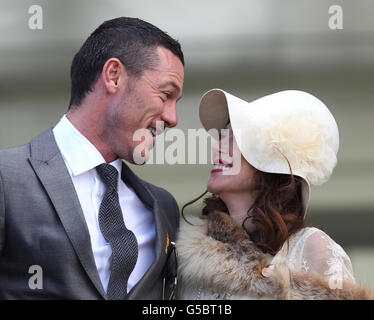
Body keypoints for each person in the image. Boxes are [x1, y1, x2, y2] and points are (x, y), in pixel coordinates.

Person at [0, 17, 184, 300]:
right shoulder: (7, 178)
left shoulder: (164, 208)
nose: (172, 119)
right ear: (113, 76)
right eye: (165, 94)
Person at [177, 89, 374, 300]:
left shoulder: (311, 248)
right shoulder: (190, 253)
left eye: (234, 139)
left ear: (270, 161)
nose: (217, 148)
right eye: (223, 137)